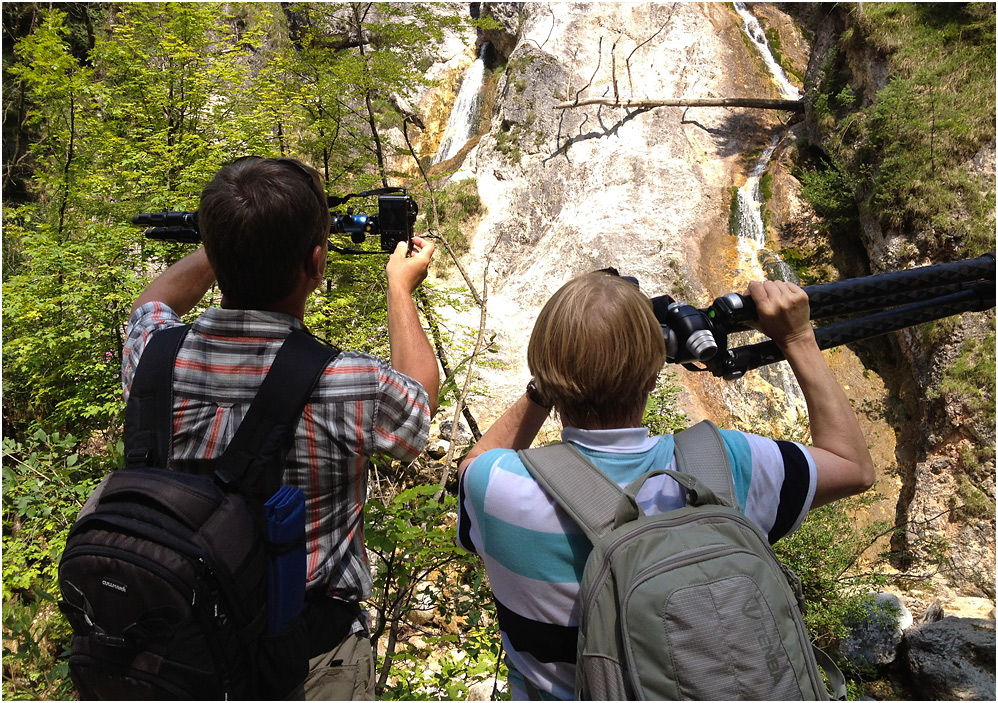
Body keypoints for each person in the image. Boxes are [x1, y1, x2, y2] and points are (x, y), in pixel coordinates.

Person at [456, 271, 874, 700]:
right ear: (657, 373)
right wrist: (800, 338)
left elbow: (473, 461)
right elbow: (853, 466)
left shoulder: (497, 486)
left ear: (543, 374)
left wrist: (544, 386)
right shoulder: (730, 461)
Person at [121, 156, 439, 700]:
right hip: (306, 659)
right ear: (316, 264)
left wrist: (224, 241)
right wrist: (400, 289)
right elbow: (418, 408)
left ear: (215, 256)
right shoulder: (345, 381)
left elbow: (153, 301)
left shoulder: (153, 352)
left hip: (179, 650)